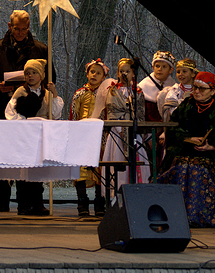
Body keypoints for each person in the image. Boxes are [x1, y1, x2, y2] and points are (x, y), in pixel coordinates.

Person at [0, 9, 55, 213]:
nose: (20, 33)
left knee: (30, 154)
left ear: (29, 27)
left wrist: (43, 93)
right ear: (9, 26)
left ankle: (29, 200)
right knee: (2, 154)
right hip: (2, 108)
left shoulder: (40, 49)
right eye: (16, 29)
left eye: (24, 29)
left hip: (33, 110)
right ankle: (2, 199)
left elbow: (51, 78)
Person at [158, 72, 215, 228]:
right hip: (184, 151)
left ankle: (199, 216)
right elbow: (173, 129)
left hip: (211, 155)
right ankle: (174, 214)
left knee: (195, 169)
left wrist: (212, 146)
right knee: (182, 167)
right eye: (195, 87)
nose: (197, 91)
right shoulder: (186, 106)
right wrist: (186, 139)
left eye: (202, 88)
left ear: (213, 91)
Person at [5, 59, 63, 215]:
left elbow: (55, 113)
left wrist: (54, 94)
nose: (30, 76)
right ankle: (23, 204)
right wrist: (25, 123)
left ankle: (38, 203)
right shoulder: (20, 92)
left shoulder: (47, 94)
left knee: (38, 170)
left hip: (41, 135)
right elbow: (10, 112)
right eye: (27, 73)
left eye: (34, 72)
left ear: (42, 75)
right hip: (25, 135)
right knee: (24, 170)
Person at [69, 58, 109, 217]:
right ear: (87, 74)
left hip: (100, 137)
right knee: (82, 170)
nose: (94, 75)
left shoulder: (106, 94)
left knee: (100, 169)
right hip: (83, 137)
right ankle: (82, 202)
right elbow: (74, 114)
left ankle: (100, 203)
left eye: (98, 73)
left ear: (103, 77)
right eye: (92, 72)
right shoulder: (80, 93)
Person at [99, 58, 145, 196]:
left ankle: (137, 193)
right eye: (121, 71)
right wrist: (119, 127)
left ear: (133, 74)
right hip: (117, 133)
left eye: (128, 71)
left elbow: (140, 111)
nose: (124, 74)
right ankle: (116, 194)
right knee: (117, 161)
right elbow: (112, 109)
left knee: (136, 161)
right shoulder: (113, 90)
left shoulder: (137, 91)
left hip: (134, 132)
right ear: (118, 73)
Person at [139, 50, 176, 122]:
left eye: (164, 67)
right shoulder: (143, 86)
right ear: (153, 68)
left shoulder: (174, 87)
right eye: (157, 66)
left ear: (171, 70)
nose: (160, 69)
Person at [158, 58, 198, 122]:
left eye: (184, 71)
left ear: (193, 73)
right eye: (178, 72)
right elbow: (171, 111)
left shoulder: (198, 90)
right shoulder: (174, 91)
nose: (180, 74)